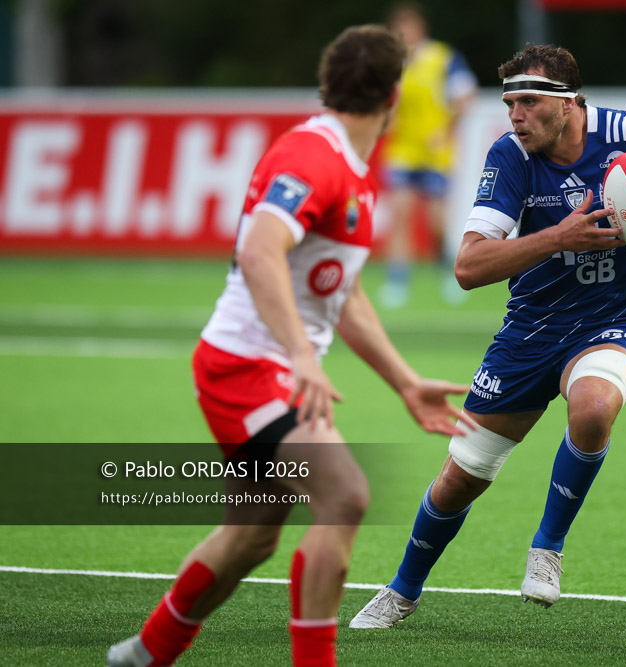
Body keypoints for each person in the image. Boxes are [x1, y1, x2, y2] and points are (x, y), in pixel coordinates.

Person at [350, 44, 626, 628]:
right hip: (532, 330)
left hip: (617, 318)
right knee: (461, 477)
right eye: (510, 102)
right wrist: (557, 238)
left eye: (530, 102)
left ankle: (547, 548)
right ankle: (402, 589)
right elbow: (469, 268)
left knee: (592, 409)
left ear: (569, 105)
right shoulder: (510, 156)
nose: (516, 114)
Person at [106, 25, 473, 667]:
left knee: (251, 537)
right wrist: (302, 354)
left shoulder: (353, 168)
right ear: (394, 95)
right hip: (244, 368)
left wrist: (404, 381)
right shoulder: (313, 158)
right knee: (345, 495)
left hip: (263, 367)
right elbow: (258, 249)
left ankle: (145, 654)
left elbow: (345, 295)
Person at [377, 2, 477, 308]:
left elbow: (466, 96)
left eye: (408, 28)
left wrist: (446, 131)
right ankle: (397, 281)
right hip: (403, 149)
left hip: (436, 152)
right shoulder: (391, 63)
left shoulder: (443, 58)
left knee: (436, 220)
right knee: (400, 211)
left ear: (420, 30)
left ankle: (448, 271)